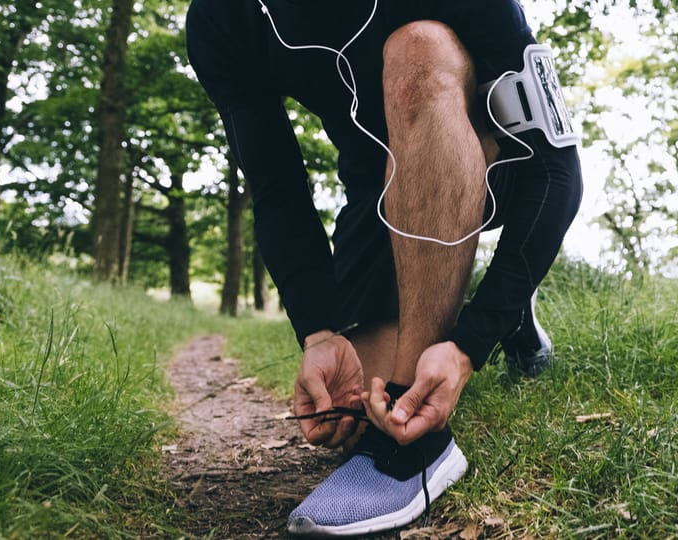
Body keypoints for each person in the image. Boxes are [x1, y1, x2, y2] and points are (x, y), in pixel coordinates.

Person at [186, 0, 582, 536]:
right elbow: (277, 187)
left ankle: (422, 451)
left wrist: (470, 342)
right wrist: (318, 332)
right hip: (377, 191)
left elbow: (557, 168)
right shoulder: (220, 19)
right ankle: (493, 309)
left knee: (417, 48)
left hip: (493, 165)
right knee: (355, 413)